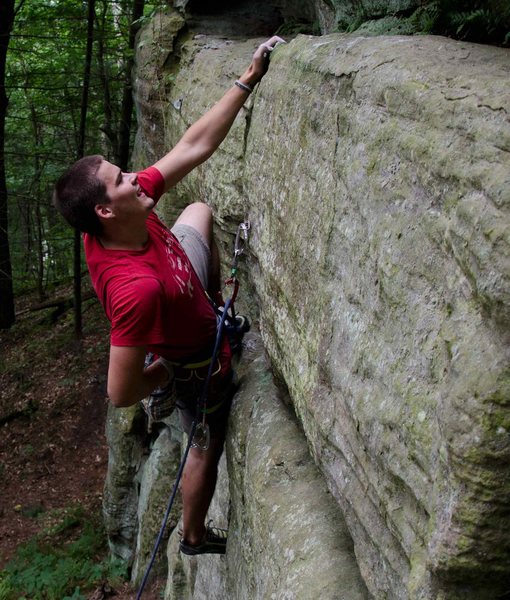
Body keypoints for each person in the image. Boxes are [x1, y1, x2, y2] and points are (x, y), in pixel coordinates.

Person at [53, 35, 285, 555]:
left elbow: (193, 146)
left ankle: (208, 316)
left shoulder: (123, 213)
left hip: (178, 278)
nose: (136, 177)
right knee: (205, 441)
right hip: (191, 353)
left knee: (198, 210)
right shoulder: (137, 291)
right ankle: (195, 536)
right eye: (121, 180)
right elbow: (119, 392)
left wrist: (247, 79)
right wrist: (173, 371)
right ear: (106, 211)